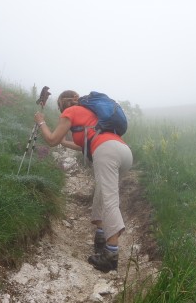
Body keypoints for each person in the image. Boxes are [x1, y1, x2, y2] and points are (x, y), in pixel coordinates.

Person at [34, 90, 133, 273]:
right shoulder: (92, 114)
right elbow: (84, 145)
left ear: (67, 102)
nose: (60, 109)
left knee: (110, 199)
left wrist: (41, 122)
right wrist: (64, 143)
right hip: (122, 151)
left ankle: (111, 255)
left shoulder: (70, 112)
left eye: (59, 105)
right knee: (102, 194)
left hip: (107, 151)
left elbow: (51, 140)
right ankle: (101, 238)